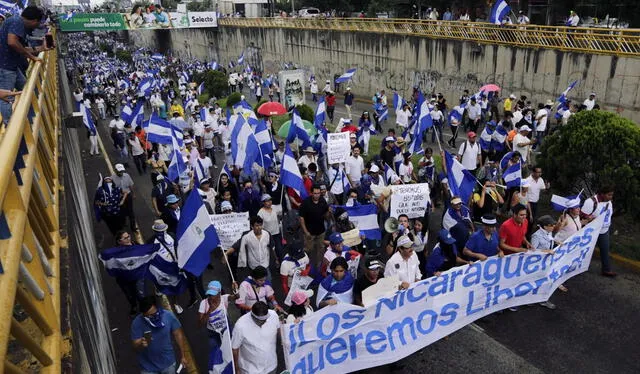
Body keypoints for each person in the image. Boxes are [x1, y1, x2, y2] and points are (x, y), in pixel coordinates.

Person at [0, 6, 45, 123]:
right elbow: (12, 42)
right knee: (7, 97)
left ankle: (29, 119)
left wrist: (41, 48)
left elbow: (20, 48)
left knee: (27, 88)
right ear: (35, 20)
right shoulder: (17, 22)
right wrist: (32, 57)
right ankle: (9, 126)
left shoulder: (15, 21)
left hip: (12, 66)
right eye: (38, 22)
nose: (38, 26)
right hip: (5, 68)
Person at [131, 296, 188, 374]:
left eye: (152, 314)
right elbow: (134, 344)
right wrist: (140, 342)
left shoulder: (168, 316)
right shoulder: (137, 323)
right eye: (147, 316)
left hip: (168, 363)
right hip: (148, 367)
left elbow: (178, 334)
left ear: (157, 307)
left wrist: (183, 356)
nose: (150, 317)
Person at [231, 301, 280, 374]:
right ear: (252, 315)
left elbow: (279, 331)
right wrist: (236, 368)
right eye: (260, 320)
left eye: (265, 319)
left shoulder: (273, 315)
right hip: (250, 370)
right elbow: (235, 348)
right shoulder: (240, 326)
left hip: (271, 366)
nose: (264, 322)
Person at [198, 280, 238, 368]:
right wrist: (209, 311)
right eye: (210, 294)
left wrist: (235, 289)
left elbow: (236, 297)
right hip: (213, 334)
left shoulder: (225, 298)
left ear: (219, 293)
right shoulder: (203, 304)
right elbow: (200, 324)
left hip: (226, 330)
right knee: (216, 354)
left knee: (230, 350)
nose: (211, 296)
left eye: (214, 294)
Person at [581, 185, 615, 277]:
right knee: (584, 250)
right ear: (602, 194)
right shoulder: (590, 202)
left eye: (612, 195)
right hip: (591, 232)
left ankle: (606, 270)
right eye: (609, 195)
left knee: (605, 250)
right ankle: (576, 267)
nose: (611, 197)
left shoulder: (608, 201)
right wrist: (589, 219)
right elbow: (582, 218)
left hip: (604, 231)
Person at [299, 184, 329, 267]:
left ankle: (319, 266)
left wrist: (328, 213)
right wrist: (306, 232)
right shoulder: (305, 203)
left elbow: (326, 212)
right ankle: (305, 265)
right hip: (309, 232)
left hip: (321, 231)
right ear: (311, 193)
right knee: (308, 249)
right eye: (315, 193)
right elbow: (301, 218)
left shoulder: (323, 200)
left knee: (321, 249)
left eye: (318, 193)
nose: (317, 195)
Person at [112, 163, 138, 232]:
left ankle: (133, 227)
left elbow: (130, 185)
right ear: (115, 170)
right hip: (119, 197)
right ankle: (123, 223)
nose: (121, 173)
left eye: (122, 171)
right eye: (119, 171)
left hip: (128, 195)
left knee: (131, 211)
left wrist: (133, 194)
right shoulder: (112, 178)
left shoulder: (127, 176)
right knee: (121, 211)